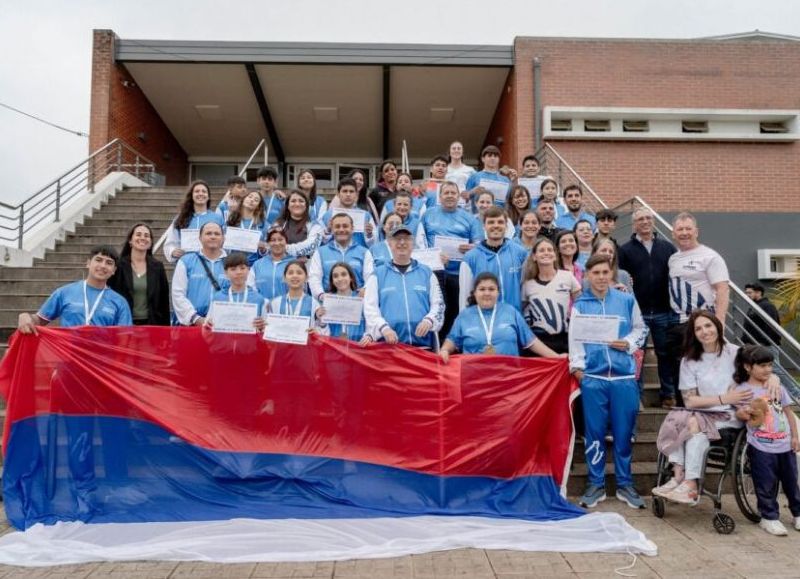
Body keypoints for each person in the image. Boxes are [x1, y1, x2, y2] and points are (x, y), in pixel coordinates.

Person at [653, 312, 778, 505]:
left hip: (730, 415)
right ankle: (682, 479)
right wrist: (723, 397)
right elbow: (690, 401)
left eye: (708, 326)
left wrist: (774, 379)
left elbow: (764, 366)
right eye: (698, 328)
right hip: (703, 413)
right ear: (693, 334)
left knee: (691, 422)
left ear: (717, 327)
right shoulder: (689, 361)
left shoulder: (737, 352)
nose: (705, 331)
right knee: (679, 420)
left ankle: (686, 481)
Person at [570, 254, 648, 510]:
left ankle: (625, 485)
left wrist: (628, 344)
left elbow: (641, 329)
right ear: (587, 276)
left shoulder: (626, 300)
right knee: (594, 434)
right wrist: (579, 370)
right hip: (594, 378)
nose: (601, 277)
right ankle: (596, 484)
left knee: (624, 434)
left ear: (611, 274)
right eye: (596, 273)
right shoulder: (580, 304)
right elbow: (575, 340)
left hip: (624, 378)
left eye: (605, 272)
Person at [732, 345, 800, 536]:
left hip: (784, 443)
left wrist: (794, 437)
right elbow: (739, 412)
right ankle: (769, 517)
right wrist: (744, 412)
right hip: (760, 445)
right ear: (748, 367)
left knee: (791, 481)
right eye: (762, 365)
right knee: (765, 483)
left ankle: (798, 513)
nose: (768, 370)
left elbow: (788, 412)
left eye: (770, 365)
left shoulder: (776, 387)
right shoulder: (743, 390)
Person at [667, 212, 730, 406]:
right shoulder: (673, 258)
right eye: (680, 229)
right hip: (677, 323)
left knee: (702, 371)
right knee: (680, 373)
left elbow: (722, 288)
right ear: (673, 233)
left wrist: (719, 321)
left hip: (700, 323)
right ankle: (683, 414)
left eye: (688, 229)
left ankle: (708, 418)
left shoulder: (710, 256)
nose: (684, 233)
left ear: (696, 231)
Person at [618, 207, 679, 409]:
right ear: (634, 224)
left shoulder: (667, 248)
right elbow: (622, 280)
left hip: (663, 311)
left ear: (653, 221)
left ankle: (668, 394)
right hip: (638, 313)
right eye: (640, 219)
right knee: (637, 357)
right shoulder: (625, 250)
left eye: (648, 218)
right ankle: (637, 395)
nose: (644, 222)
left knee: (665, 355)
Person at [440, 272, 564, 361]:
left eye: (491, 289)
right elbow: (452, 340)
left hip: (508, 379)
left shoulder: (510, 312)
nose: (487, 293)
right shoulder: (464, 315)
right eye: (482, 289)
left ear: (498, 292)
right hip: (474, 380)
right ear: (475, 293)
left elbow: (531, 341)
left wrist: (556, 357)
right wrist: (445, 350)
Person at [417, 181, 484, 340]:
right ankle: (436, 346)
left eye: (453, 193)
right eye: (446, 193)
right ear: (440, 196)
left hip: (459, 273)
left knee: (455, 311)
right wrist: (433, 257)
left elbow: (480, 245)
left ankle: (453, 346)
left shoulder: (470, 219)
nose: (449, 196)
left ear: (458, 196)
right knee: (437, 310)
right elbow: (420, 242)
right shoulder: (428, 214)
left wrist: (471, 247)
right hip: (435, 272)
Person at [18, 245, 132, 333]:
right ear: (88, 263)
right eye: (98, 260)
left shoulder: (120, 302)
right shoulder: (64, 293)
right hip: (67, 359)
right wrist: (26, 317)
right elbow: (40, 320)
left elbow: (124, 337)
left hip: (100, 361)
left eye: (109, 263)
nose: (102, 266)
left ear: (114, 270)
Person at [364, 224, 444, 348]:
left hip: (423, 348)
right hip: (390, 348)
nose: (402, 242)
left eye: (406, 239)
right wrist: (384, 328)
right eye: (397, 239)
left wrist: (429, 320)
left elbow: (438, 305)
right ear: (390, 244)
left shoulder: (427, 273)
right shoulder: (377, 275)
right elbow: (370, 308)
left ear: (412, 243)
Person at [458, 206, 529, 311]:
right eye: (491, 222)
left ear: (506, 226)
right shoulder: (470, 258)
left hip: (514, 318)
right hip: (484, 321)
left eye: (500, 222)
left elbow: (526, 290)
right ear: (484, 226)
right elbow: (464, 298)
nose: (496, 226)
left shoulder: (520, 253)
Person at [522, 237, 582, 354]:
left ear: (555, 255)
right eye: (542, 250)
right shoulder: (527, 284)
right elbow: (523, 310)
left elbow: (581, 305)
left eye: (550, 250)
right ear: (534, 256)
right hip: (539, 340)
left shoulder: (567, 276)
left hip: (563, 338)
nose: (546, 253)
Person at [108, 223, 170, 326]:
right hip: (123, 324)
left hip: (151, 325)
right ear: (130, 241)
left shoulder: (158, 267)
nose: (142, 238)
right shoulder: (118, 266)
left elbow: (164, 301)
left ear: (150, 242)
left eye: (146, 235)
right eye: (138, 234)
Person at [171, 222, 229, 326]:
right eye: (208, 233)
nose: (213, 237)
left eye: (217, 234)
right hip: (192, 325)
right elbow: (178, 294)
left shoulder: (231, 263)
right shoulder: (186, 261)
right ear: (200, 238)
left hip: (222, 326)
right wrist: (195, 318)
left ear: (223, 238)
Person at [308, 213, 374, 301]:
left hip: (358, 303)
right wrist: (321, 295)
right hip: (328, 303)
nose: (341, 229)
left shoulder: (364, 252)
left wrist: (365, 290)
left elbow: (370, 277)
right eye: (337, 226)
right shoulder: (320, 252)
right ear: (332, 229)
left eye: (345, 226)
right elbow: (314, 277)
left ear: (352, 229)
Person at [163, 180, 225, 263]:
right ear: (192, 195)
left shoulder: (217, 218)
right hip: (186, 263)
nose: (200, 194)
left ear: (208, 196)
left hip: (211, 263)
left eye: (204, 191)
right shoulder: (180, 218)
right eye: (197, 191)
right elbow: (171, 240)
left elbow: (224, 241)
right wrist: (173, 251)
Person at [206, 252, 267, 333]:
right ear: (226, 273)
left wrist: (262, 326)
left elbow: (266, 330)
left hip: (249, 345)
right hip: (222, 344)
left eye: (242, 268)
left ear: (248, 270)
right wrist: (208, 325)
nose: (238, 272)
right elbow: (206, 328)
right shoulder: (217, 298)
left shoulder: (259, 299)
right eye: (233, 269)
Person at [320, 262, 370, 344]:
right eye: (335, 276)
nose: (339, 279)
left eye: (343, 274)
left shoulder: (361, 299)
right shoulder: (328, 301)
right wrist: (322, 322)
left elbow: (370, 323)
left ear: (351, 278)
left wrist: (368, 336)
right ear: (332, 281)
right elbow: (324, 332)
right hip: (335, 350)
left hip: (359, 349)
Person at [268, 260, 324, 331]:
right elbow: (270, 330)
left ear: (306, 278)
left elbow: (322, 331)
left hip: (307, 342)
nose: (295, 276)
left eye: (299, 273)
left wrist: (321, 324)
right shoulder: (275, 303)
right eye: (290, 273)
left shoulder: (314, 303)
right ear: (284, 278)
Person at [320, 178, 377, 248]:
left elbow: (374, 244)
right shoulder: (328, 215)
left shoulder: (366, 216)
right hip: (333, 256)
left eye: (351, 191)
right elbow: (320, 242)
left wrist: (369, 234)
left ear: (356, 194)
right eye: (344, 191)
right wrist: (328, 231)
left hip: (359, 256)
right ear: (338, 194)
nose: (348, 194)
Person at [273, 190, 325, 258]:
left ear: (306, 205)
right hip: (282, 265)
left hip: (306, 266)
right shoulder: (278, 224)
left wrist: (283, 248)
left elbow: (311, 247)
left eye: (301, 201)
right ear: (288, 206)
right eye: (293, 201)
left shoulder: (315, 226)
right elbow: (271, 244)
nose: (297, 204)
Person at [225, 190, 269, 265]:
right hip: (232, 264)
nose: (252, 200)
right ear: (243, 199)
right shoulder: (231, 220)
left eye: (256, 200)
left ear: (258, 206)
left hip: (254, 265)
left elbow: (268, 249)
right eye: (250, 197)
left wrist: (263, 248)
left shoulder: (264, 225)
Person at [252, 228, 293, 301]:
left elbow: (300, 290)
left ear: (286, 241)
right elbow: (251, 287)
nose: (277, 243)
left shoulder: (294, 264)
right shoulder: (257, 264)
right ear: (267, 243)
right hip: (263, 308)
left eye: (280, 239)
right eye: (273, 240)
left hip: (286, 309)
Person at [465, 145, 511, 209]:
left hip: (499, 216)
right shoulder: (474, 177)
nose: (493, 158)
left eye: (495, 156)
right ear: (483, 159)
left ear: (499, 159)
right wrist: (472, 191)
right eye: (489, 156)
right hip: (479, 216)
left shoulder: (505, 180)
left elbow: (510, 200)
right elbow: (465, 199)